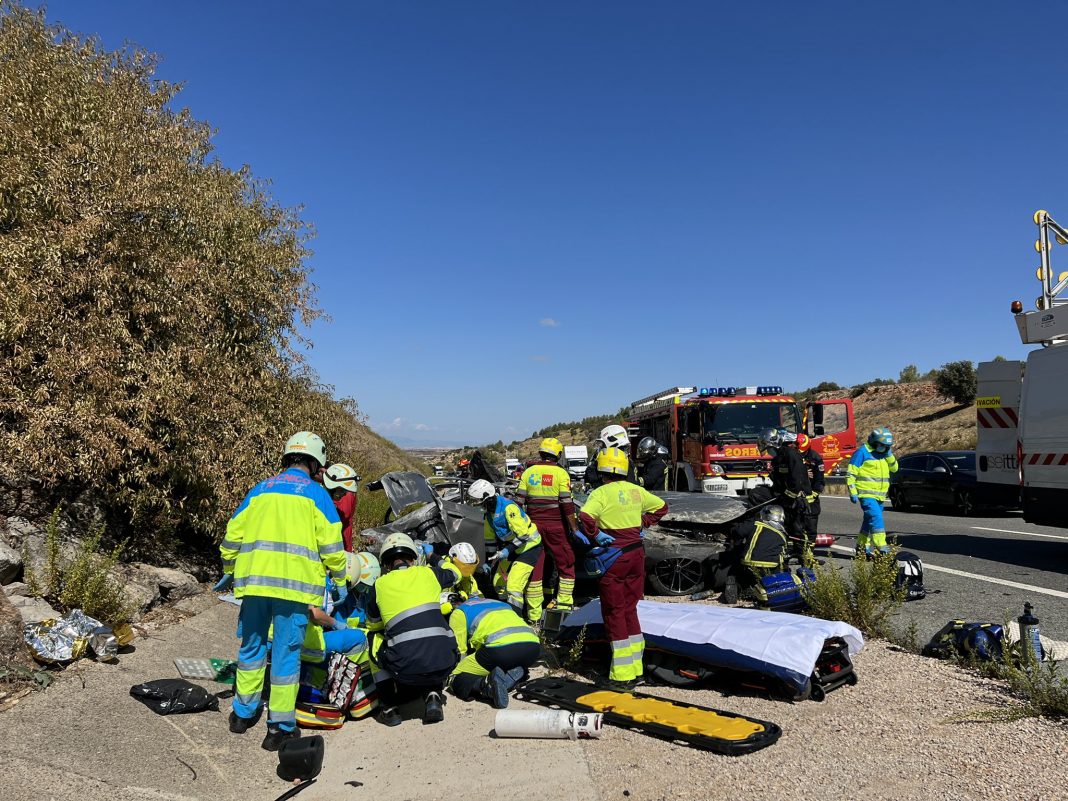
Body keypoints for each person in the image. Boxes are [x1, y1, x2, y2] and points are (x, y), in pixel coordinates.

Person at [218, 431, 346, 750]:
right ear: (316, 462)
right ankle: (279, 727)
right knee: (287, 656)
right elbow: (332, 545)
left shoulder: (261, 489)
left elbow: (233, 533)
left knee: (251, 649)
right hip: (294, 591)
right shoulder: (317, 495)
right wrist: (340, 579)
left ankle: (241, 715)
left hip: (254, 586)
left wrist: (228, 569)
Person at [577, 447, 668, 691]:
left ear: (602, 470)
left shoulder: (600, 493)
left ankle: (620, 676)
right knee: (630, 609)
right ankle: (637, 669)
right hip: (636, 554)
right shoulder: (636, 490)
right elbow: (661, 507)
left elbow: (584, 517)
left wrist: (597, 534)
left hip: (614, 556)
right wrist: (642, 523)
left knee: (614, 612)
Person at [364, 533, 460, 726]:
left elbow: (374, 625)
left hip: (404, 667)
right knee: (433, 632)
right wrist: (434, 557)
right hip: (446, 661)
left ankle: (389, 708)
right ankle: (433, 695)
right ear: (412, 559)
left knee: (371, 639)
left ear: (387, 564)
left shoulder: (379, 585)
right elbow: (456, 573)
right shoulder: (429, 573)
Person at [467, 479, 544, 624]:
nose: (477, 506)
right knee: (498, 583)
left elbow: (524, 535)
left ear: (487, 499)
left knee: (514, 586)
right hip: (512, 548)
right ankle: (506, 611)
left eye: (478, 503)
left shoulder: (508, 508)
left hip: (529, 547)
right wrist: (489, 562)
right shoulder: (489, 515)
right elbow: (490, 542)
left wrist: (506, 551)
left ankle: (517, 622)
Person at [444, 593, 541, 709]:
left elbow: (459, 652)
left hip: (501, 650)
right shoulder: (497, 602)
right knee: (497, 662)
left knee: (455, 675)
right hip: (533, 648)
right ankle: (511, 675)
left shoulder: (459, 613)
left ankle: (486, 686)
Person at [517, 438, 578, 612]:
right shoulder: (561, 474)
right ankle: (564, 606)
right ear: (558, 455)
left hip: (533, 527)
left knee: (535, 567)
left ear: (541, 453)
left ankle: (534, 614)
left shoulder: (528, 473)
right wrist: (574, 528)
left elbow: (518, 503)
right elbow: (567, 503)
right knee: (566, 564)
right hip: (556, 527)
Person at [847, 427, 899, 556]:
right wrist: (852, 491)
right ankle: (881, 548)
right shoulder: (862, 453)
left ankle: (861, 547)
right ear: (874, 442)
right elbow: (851, 474)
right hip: (866, 494)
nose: (885, 448)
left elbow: (895, 469)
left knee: (868, 521)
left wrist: (889, 455)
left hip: (880, 496)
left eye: (887, 446)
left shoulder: (885, 454)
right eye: (882, 445)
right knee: (876, 518)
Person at [757, 428, 813, 544]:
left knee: (798, 530)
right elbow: (779, 480)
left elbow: (797, 482)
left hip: (796, 499)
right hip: (785, 498)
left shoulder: (791, 455)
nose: (769, 452)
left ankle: (805, 557)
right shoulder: (777, 459)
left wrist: (787, 499)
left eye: (769, 449)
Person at [584, 424, 638, 489]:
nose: (601, 448)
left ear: (611, 441)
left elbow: (593, 481)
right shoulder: (628, 462)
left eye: (603, 445)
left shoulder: (611, 463)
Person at [323, 463, 360, 552]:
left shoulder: (347, 492)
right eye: (342, 491)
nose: (344, 494)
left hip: (339, 546)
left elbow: (344, 515)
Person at [796, 434, 824, 539]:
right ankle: (797, 550)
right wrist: (803, 473)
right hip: (795, 497)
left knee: (811, 528)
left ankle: (809, 551)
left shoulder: (815, 458)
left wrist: (813, 494)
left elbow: (820, 480)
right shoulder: (792, 456)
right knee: (796, 527)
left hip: (811, 499)